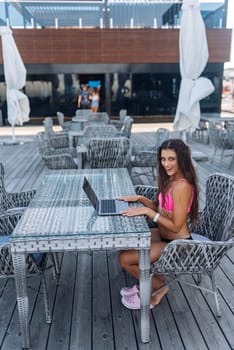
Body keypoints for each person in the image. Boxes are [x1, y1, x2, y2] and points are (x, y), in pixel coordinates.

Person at [118, 138, 199, 309]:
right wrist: (140, 199)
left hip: (177, 244)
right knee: (126, 244)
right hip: (164, 235)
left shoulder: (181, 187)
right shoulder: (171, 180)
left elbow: (176, 225)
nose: (166, 164)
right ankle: (153, 282)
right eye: (163, 159)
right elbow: (160, 208)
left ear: (181, 159)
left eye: (171, 159)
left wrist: (148, 212)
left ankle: (160, 286)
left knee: (124, 259)